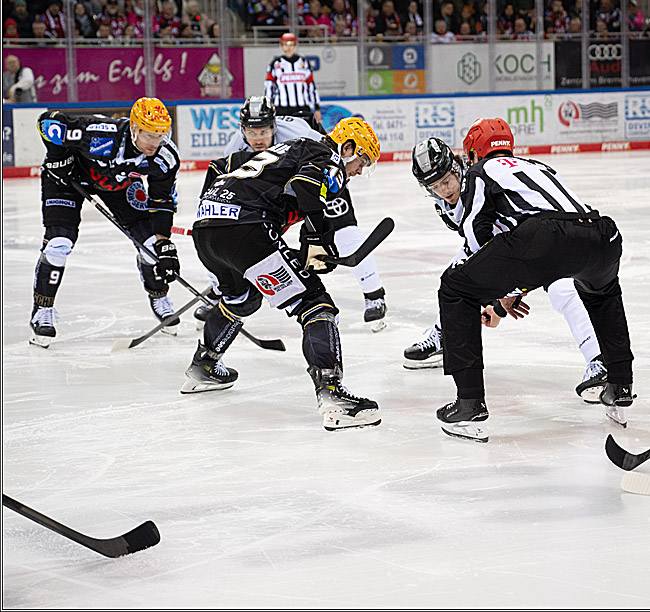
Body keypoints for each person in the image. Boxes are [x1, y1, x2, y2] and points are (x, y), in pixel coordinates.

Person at [434, 118, 634, 442]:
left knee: (455, 288)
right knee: (602, 294)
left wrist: (494, 291)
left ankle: (469, 403)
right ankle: (620, 385)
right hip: (601, 234)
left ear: (473, 152)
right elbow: (557, 247)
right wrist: (507, 291)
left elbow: (477, 238)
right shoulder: (538, 166)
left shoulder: (479, 172)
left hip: (545, 238)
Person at [184, 117, 382, 431]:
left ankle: (204, 365)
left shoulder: (292, 148)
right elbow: (306, 188)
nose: (359, 170)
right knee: (314, 303)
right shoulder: (325, 154)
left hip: (207, 229)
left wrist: (311, 247)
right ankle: (332, 396)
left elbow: (234, 173)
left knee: (242, 299)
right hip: (245, 229)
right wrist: (319, 240)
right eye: (363, 161)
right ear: (348, 147)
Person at [406, 137, 608, 401]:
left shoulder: (479, 182)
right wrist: (502, 302)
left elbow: (504, 249)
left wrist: (503, 300)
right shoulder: (468, 188)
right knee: (458, 271)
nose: (443, 190)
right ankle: (443, 333)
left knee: (561, 288)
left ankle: (598, 359)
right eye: (434, 186)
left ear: (459, 167)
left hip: (546, 239)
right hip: (539, 241)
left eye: (445, 181)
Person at [197, 96, 388, 330]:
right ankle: (224, 288)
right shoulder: (237, 146)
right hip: (277, 192)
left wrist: (316, 235)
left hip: (324, 180)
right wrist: (210, 211)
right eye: (252, 132)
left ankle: (373, 293)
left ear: (274, 126)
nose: (258, 138)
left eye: (264, 131)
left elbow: (321, 172)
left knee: (344, 229)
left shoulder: (301, 135)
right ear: (242, 130)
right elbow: (219, 170)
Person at [31, 98, 181, 347]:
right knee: (59, 243)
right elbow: (48, 121)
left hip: (119, 185)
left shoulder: (165, 157)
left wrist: (164, 244)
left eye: (161, 135)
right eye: (149, 135)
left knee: (150, 245)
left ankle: (159, 297)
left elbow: (162, 201)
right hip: (67, 180)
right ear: (134, 128)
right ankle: (41, 311)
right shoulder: (101, 134)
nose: (155, 143)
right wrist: (58, 159)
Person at [264, 32, 322, 129]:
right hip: (281, 108)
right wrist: (268, 107)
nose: (288, 47)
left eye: (291, 44)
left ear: (295, 46)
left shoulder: (304, 63)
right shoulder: (275, 64)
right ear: (281, 46)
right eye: (285, 44)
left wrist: (317, 108)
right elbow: (269, 87)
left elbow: (311, 86)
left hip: (302, 107)